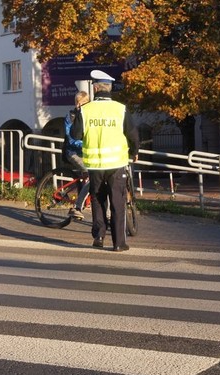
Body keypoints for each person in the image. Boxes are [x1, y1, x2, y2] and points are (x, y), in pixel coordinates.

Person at [70, 70, 140, 252]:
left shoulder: (85, 110)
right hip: (116, 165)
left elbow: (74, 134)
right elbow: (133, 135)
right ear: (109, 88)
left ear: (95, 88)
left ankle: (99, 236)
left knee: (98, 200)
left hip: (94, 165)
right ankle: (118, 243)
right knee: (117, 202)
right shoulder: (120, 109)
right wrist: (134, 152)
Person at [63, 90, 90, 220]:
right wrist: (87, 144)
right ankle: (77, 207)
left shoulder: (90, 115)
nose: (82, 106)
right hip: (73, 152)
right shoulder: (71, 116)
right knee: (93, 174)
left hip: (88, 153)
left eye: (85, 103)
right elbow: (71, 139)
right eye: (80, 103)